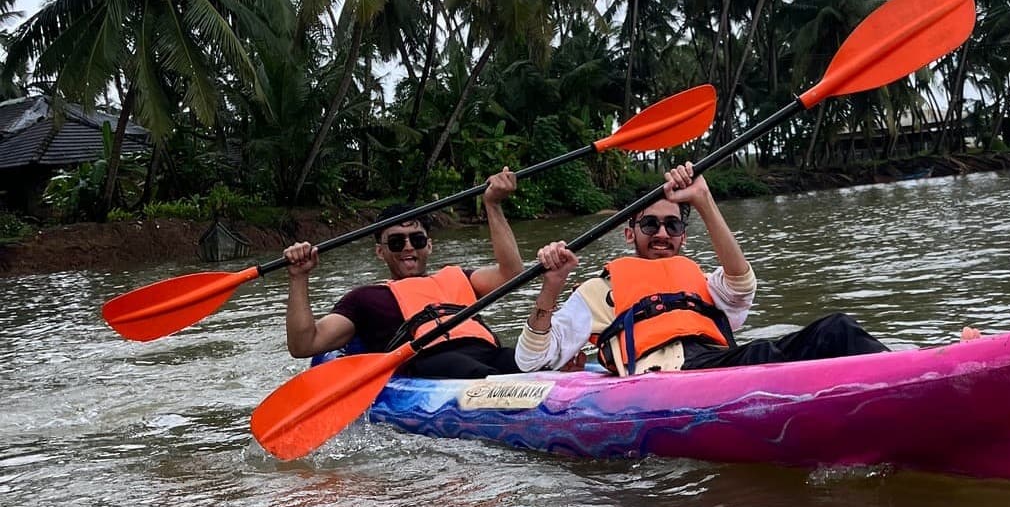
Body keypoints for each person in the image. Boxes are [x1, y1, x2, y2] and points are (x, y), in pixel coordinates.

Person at [515, 162, 928, 377]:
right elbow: (531, 362)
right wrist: (552, 286)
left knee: (836, 329)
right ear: (629, 233)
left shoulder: (702, 282)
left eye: (673, 225)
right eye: (650, 224)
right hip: (669, 378)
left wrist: (703, 200)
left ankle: (923, 376)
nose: (662, 233)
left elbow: (742, 286)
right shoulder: (595, 292)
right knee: (766, 354)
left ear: (683, 236)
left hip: (719, 361)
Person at [283, 169, 524, 378]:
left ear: (428, 245)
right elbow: (304, 344)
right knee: (463, 367)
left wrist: (493, 205)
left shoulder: (460, 277)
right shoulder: (365, 299)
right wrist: (298, 276)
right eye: (397, 242)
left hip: (487, 353)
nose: (409, 247)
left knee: (525, 360)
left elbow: (511, 274)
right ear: (380, 251)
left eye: (417, 240)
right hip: (431, 362)